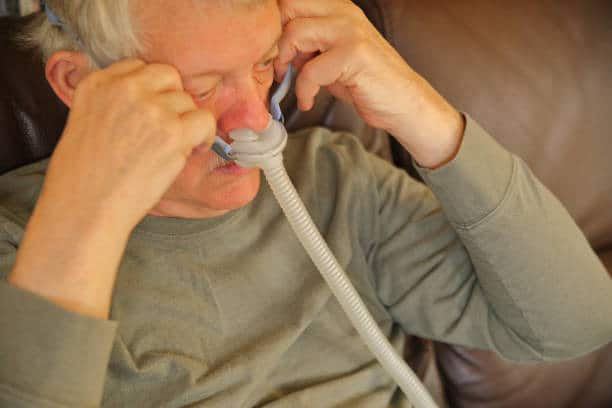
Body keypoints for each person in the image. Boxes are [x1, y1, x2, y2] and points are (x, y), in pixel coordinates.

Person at [0, 0, 610, 406]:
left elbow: (575, 323)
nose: (253, 120)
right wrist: (86, 212)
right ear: (80, 85)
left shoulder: (335, 183)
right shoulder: (19, 248)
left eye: (265, 66)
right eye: (203, 87)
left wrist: (423, 113)